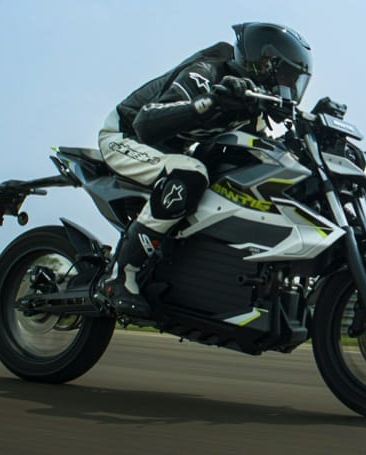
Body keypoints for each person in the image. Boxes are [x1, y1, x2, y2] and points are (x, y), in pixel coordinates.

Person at [97, 22, 313, 318]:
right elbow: (145, 123)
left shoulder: (250, 105)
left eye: (295, 80)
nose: (288, 87)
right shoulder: (207, 73)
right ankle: (120, 275)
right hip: (124, 137)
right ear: (263, 63)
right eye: (285, 76)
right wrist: (210, 101)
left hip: (172, 153)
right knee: (191, 173)